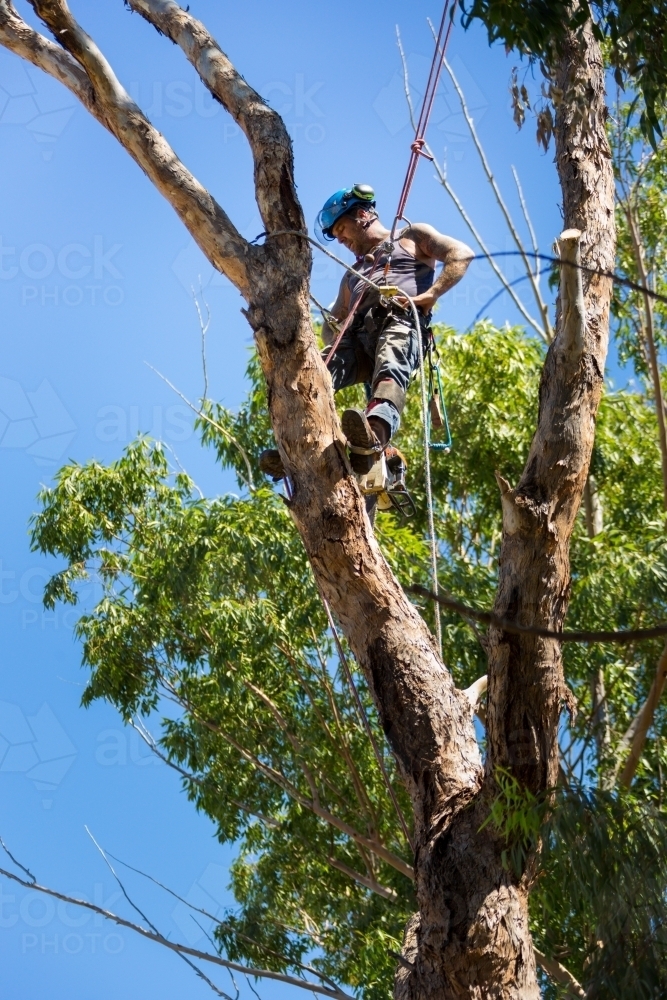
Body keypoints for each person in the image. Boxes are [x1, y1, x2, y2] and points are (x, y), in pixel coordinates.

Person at [260, 183, 473, 482]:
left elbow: (461, 254)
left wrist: (430, 295)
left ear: (362, 215)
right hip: (359, 338)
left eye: (342, 229)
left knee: (389, 368)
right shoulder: (352, 276)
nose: (341, 239)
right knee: (313, 372)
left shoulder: (411, 237)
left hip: (400, 323)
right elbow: (330, 324)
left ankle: (373, 438)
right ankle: (298, 447)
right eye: (335, 236)